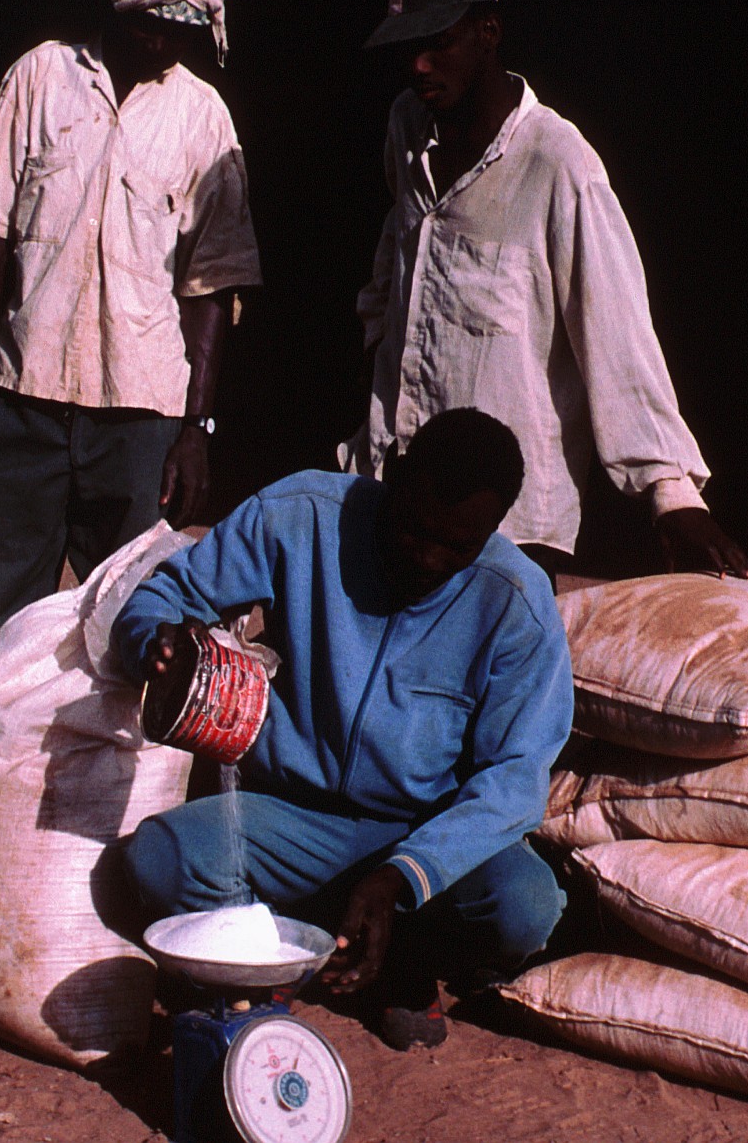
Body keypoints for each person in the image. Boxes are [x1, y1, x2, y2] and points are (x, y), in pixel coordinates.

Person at [118, 408, 571, 1051]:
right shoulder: (301, 514)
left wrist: (404, 876)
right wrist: (154, 643)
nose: (430, 559)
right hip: (292, 814)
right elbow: (164, 596)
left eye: (458, 547)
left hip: (421, 831)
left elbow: (516, 779)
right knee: (161, 860)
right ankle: (299, 946)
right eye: (416, 529)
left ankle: (400, 955)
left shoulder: (515, 602)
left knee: (526, 907)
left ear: (494, 531)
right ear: (393, 474)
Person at [0, 0, 261, 737]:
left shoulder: (203, 119)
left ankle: (99, 839)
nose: (173, 45)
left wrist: (195, 429)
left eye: (189, 28)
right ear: (128, 11)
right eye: (163, 27)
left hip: (141, 416)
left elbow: (212, 285)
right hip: (22, 397)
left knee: (136, 622)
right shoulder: (40, 78)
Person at [346, 0, 748, 581]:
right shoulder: (406, 128)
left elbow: (617, 335)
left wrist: (671, 495)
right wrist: (381, 359)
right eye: (407, 49)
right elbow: (394, 269)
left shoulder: (557, 164)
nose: (418, 66)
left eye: (437, 42)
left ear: (488, 31)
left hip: (503, 529)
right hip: (402, 498)